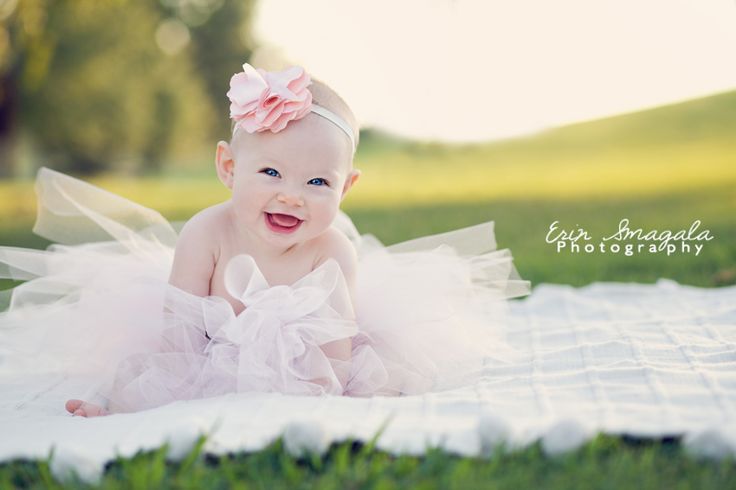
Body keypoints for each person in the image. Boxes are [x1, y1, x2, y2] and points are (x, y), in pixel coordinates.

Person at [0, 63, 531, 418]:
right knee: (140, 377)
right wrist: (143, 399)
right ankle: (106, 406)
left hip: (309, 363)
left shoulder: (332, 251)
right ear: (229, 168)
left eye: (318, 182)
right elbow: (177, 340)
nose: (292, 196)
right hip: (205, 352)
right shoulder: (206, 234)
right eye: (271, 172)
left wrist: (319, 396)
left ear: (347, 188)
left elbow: (337, 354)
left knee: (385, 381)